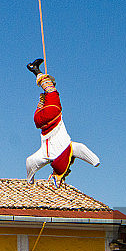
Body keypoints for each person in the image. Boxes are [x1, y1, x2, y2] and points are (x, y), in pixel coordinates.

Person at [25, 58, 99, 187]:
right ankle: (40, 82)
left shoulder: (68, 149)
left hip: (51, 116)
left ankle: (36, 70)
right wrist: (30, 178)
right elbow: (30, 163)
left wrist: (95, 160)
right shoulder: (47, 157)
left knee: (52, 92)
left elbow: (82, 149)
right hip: (39, 121)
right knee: (47, 96)